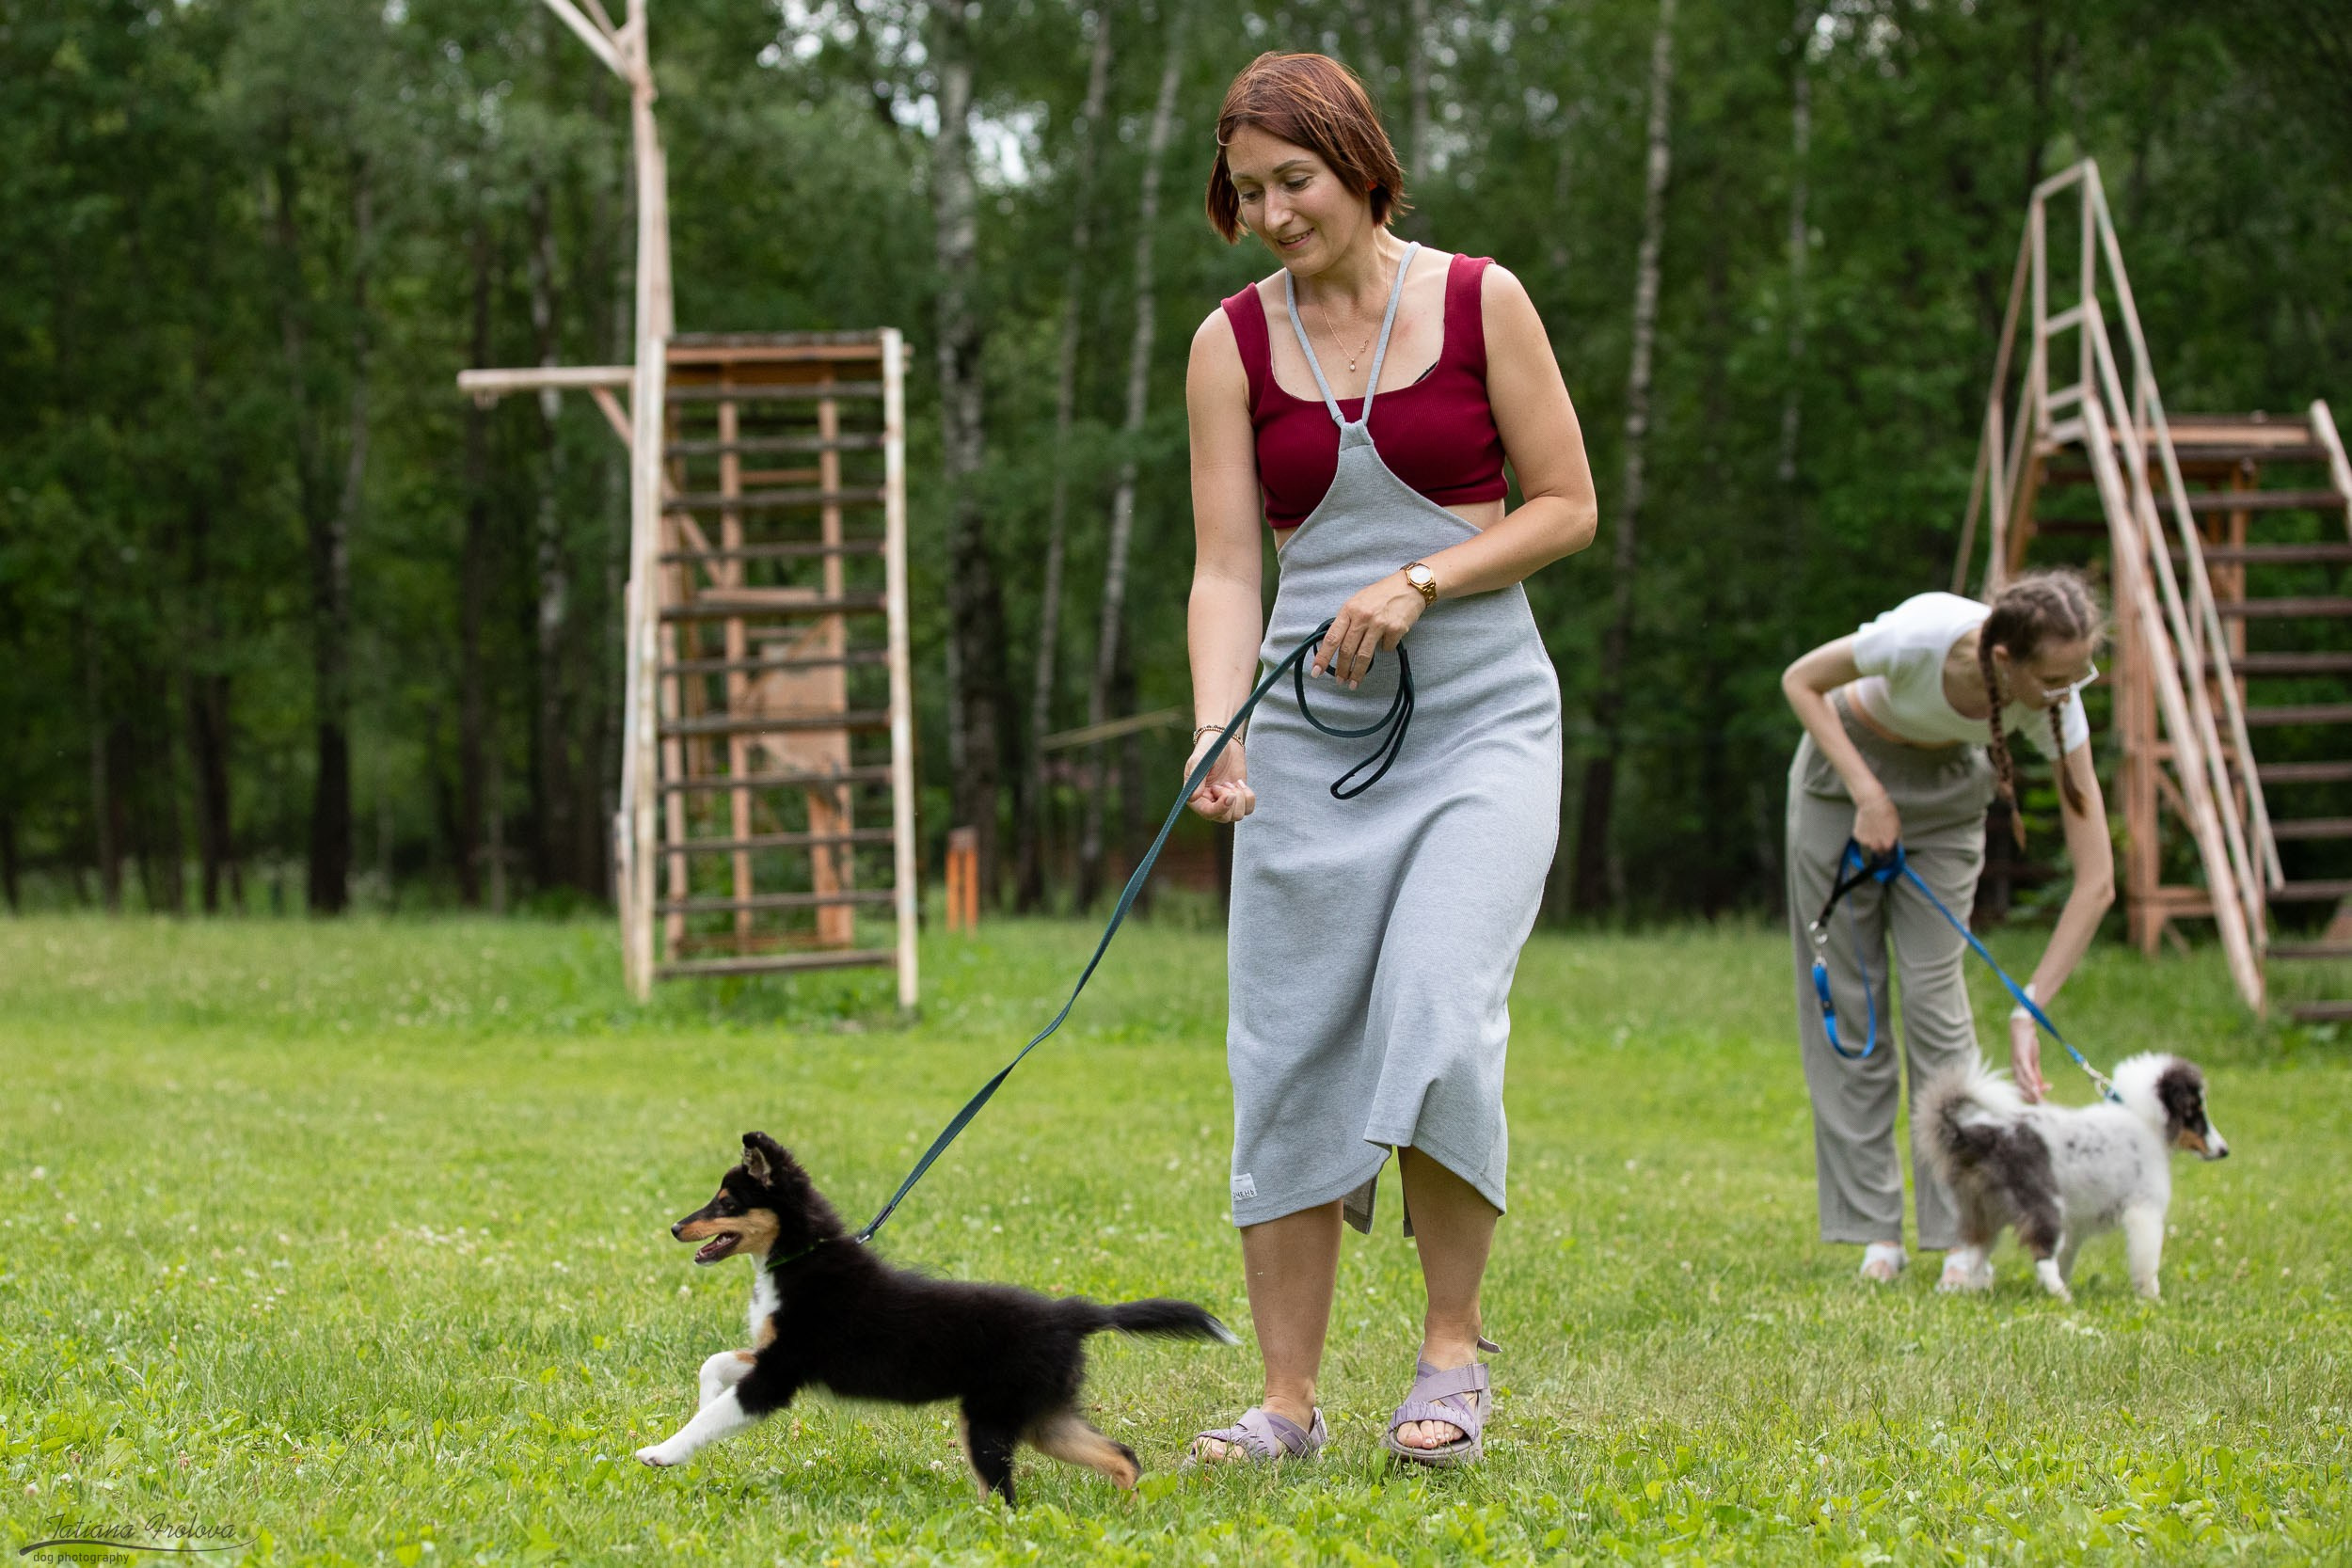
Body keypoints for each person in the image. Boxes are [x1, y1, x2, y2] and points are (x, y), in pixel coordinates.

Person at [1181, 51, 1597, 1466]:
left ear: (1361, 161)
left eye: (1293, 179)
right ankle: (1286, 1404)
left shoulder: (1482, 300)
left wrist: (1422, 576)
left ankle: (1449, 1362)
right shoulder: (1229, 343)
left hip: (1482, 720)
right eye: (1249, 191)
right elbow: (1229, 565)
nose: (1276, 211)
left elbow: (1567, 506)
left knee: (1437, 1004)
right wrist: (1215, 719)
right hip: (1306, 731)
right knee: (1287, 1046)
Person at [1780, 570, 2115, 1290]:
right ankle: (1875, 1230)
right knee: (1852, 1001)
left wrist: (2030, 1005)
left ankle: (1964, 1234)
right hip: (1846, 776)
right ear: (2003, 661)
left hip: (1948, 798)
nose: (2073, 686)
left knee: (1937, 1005)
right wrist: (1867, 794)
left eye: (2081, 668)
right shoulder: (1919, 634)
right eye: (2057, 675)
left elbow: (2097, 879)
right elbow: (1801, 680)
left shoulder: (2057, 701)